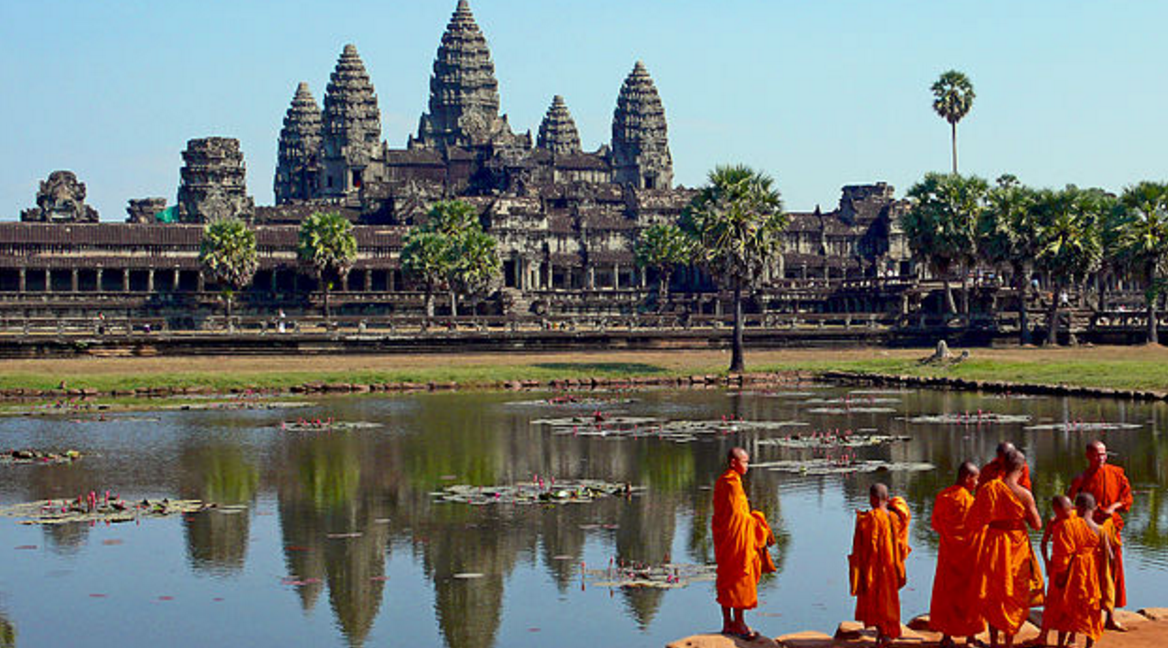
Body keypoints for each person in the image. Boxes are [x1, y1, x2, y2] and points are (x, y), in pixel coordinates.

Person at [969, 450, 1043, 648]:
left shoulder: (989, 488)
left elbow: (975, 520)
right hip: (1016, 544)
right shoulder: (1024, 494)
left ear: (1003, 467)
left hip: (993, 543)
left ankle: (994, 642)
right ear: (1022, 468)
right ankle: (1008, 642)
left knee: (994, 593)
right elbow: (1037, 525)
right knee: (1013, 594)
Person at [1067, 440, 1132, 631]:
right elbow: (1069, 502)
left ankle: (1110, 617)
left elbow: (1127, 498)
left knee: (1112, 571)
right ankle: (1084, 618)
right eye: (1097, 454)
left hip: (1110, 528)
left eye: (1104, 454)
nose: (1101, 458)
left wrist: (1113, 507)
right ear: (1088, 456)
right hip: (1088, 530)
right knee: (1088, 574)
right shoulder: (1081, 478)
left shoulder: (1116, 473)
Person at [712, 447, 774, 641]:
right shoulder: (731, 484)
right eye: (745, 461)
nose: (747, 465)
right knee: (739, 576)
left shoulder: (723, 481)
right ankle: (738, 624)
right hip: (736, 541)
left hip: (726, 540)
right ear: (733, 463)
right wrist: (758, 521)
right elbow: (738, 518)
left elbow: (723, 516)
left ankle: (727, 623)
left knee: (726, 578)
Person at [930, 462, 985, 647]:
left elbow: (936, 524)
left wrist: (950, 537)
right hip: (969, 557)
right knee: (970, 594)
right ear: (968, 478)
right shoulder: (971, 502)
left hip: (948, 555)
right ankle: (971, 637)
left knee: (947, 593)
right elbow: (980, 528)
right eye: (976, 479)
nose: (977, 484)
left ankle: (947, 637)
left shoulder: (943, 496)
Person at [849, 483, 911, 648]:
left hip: (875, 568)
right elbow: (901, 540)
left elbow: (866, 545)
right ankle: (885, 633)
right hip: (891, 567)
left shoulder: (871, 518)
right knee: (889, 599)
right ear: (887, 498)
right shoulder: (894, 517)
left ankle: (884, 634)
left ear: (872, 498)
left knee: (877, 600)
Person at [1044, 493, 1109, 648]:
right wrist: (1103, 579)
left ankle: (1061, 644)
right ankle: (1088, 645)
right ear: (1094, 508)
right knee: (1091, 609)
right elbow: (1107, 557)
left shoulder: (1068, 525)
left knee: (1066, 607)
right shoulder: (1100, 529)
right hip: (1090, 573)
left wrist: (1060, 574)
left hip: (1072, 572)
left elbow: (1062, 554)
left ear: (1076, 508)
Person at [1032, 495, 1075, 648]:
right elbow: (1043, 543)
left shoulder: (1077, 521)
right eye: (1065, 510)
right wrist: (1047, 563)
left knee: (1072, 603)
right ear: (1057, 511)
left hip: (1074, 568)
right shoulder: (1053, 522)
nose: (1070, 512)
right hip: (1057, 567)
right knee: (1050, 603)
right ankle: (1043, 636)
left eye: (1071, 509)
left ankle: (1072, 638)